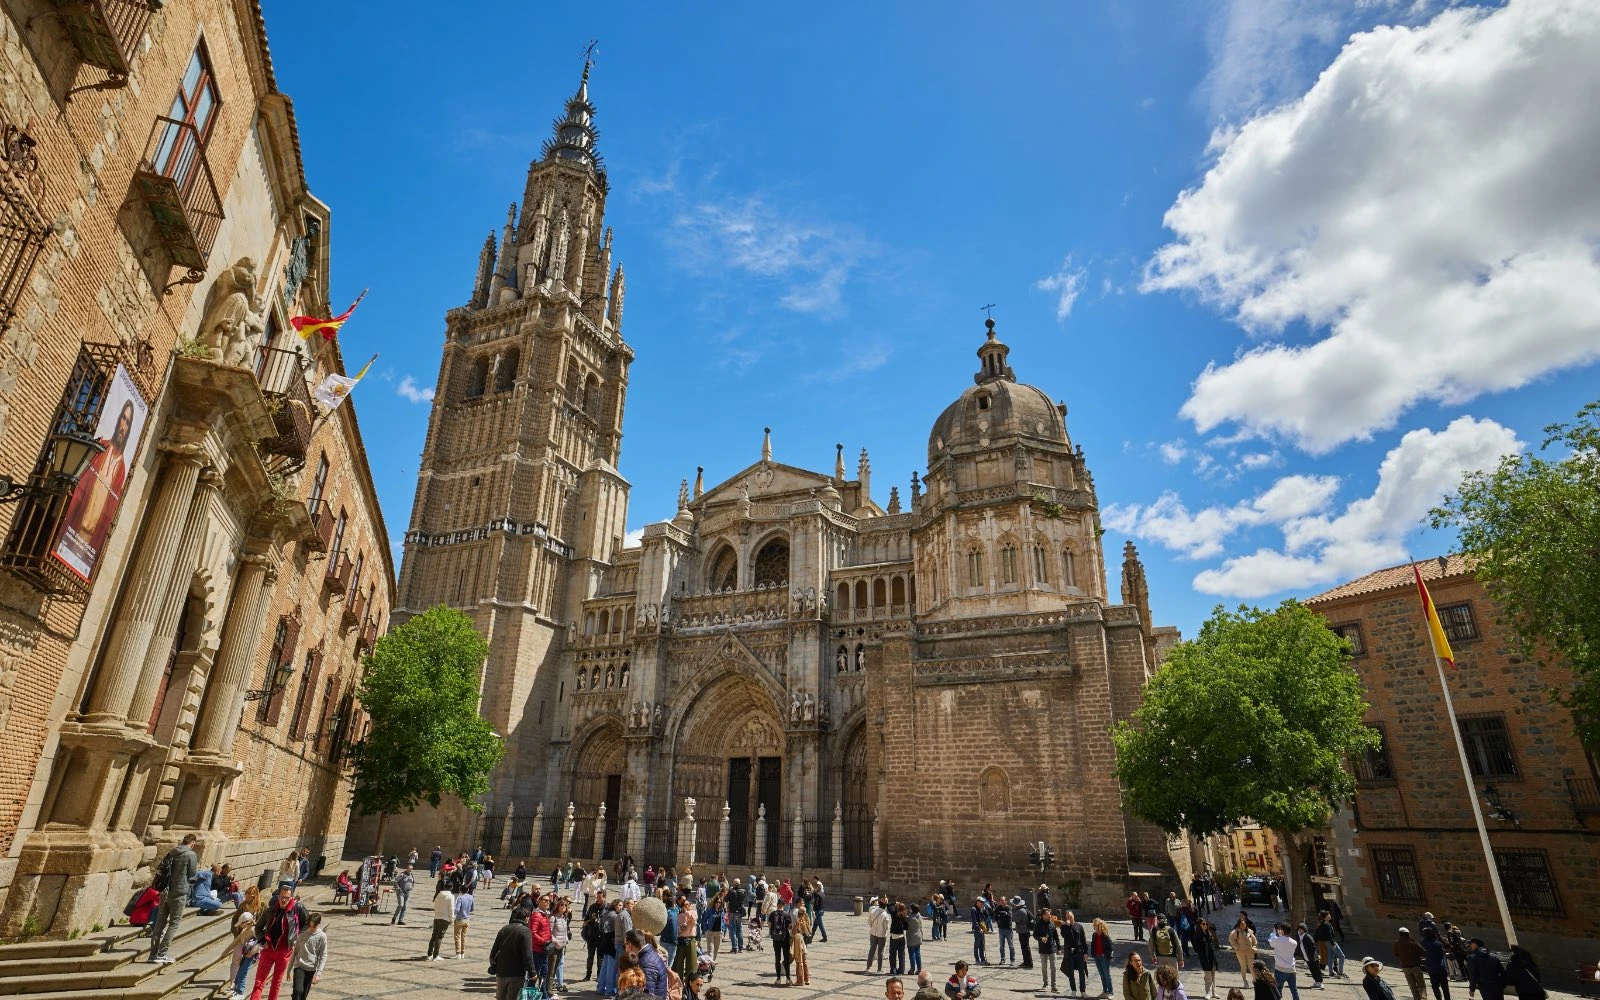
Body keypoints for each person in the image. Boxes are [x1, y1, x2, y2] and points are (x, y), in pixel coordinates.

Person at [251, 883, 308, 1000]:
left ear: (291, 898)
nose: (283, 900)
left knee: (276, 981)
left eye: (286, 898)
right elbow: (258, 927)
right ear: (278, 897)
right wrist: (262, 940)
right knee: (259, 980)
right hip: (268, 949)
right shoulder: (270, 910)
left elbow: (307, 924)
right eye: (281, 897)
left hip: (284, 951)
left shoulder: (298, 909)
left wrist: (297, 938)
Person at [491, 905, 538, 1000]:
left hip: (501, 973)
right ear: (527, 918)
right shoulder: (525, 931)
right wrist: (532, 973)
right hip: (516, 974)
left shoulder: (504, 929)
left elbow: (493, 952)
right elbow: (528, 956)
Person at [225, 886, 263, 1000]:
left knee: (244, 967)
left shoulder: (261, 907)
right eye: (246, 895)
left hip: (252, 942)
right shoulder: (242, 906)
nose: (246, 897)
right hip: (240, 937)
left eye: (248, 895)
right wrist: (236, 932)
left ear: (254, 896)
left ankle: (240, 990)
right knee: (236, 960)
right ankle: (233, 984)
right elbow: (234, 920)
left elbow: (262, 924)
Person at [288, 911, 326, 1000]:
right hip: (300, 966)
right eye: (310, 926)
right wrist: (289, 970)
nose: (311, 928)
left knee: (303, 995)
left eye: (314, 926)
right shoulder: (302, 936)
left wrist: (318, 974)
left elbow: (323, 955)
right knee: (298, 990)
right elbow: (295, 953)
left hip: (311, 968)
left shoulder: (322, 936)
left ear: (318, 924)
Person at [1268, 924, 1302, 1000]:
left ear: (1282, 930)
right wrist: (1281, 935)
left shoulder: (1276, 940)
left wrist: (1273, 932)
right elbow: (1285, 942)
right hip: (1291, 969)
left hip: (1280, 969)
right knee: (1294, 990)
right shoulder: (1294, 942)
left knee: (1278, 989)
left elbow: (1271, 942)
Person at [1062, 911, 1090, 997]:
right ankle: (1073, 990)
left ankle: (1083, 991)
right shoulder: (1064, 927)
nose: (1069, 918)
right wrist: (1067, 926)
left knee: (1082, 972)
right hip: (1069, 953)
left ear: (1073, 916)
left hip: (1079, 952)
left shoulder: (1079, 926)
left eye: (1070, 916)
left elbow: (1083, 940)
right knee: (1071, 973)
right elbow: (1064, 936)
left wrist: (1085, 952)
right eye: (1067, 917)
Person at [1394, 929, 1427, 1000]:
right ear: (1408, 934)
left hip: (1405, 967)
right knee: (1421, 985)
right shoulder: (1413, 943)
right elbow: (1424, 952)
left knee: (1412, 986)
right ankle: (1423, 998)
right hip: (1416, 966)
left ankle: (1416, 999)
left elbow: (1395, 954)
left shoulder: (1396, 943)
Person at [769, 894, 794, 985]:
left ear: (777, 904)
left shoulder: (772, 914)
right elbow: (790, 927)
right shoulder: (787, 915)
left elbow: (770, 926)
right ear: (784, 905)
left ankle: (778, 978)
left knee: (777, 958)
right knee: (786, 958)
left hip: (776, 939)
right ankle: (788, 978)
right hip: (785, 938)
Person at [549, 897, 573, 994]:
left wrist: (566, 940)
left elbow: (565, 931)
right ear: (557, 907)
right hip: (554, 947)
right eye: (562, 905)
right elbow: (549, 933)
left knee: (557, 967)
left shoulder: (565, 918)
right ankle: (549, 990)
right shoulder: (553, 918)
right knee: (551, 970)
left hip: (562, 946)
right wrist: (556, 942)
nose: (564, 907)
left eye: (565, 905)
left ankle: (552, 987)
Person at [674, 893, 699, 983]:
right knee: (679, 962)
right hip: (682, 940)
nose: (689, 905)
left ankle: (690, 980)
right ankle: (679, 981)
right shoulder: (679, 916)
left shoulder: (693, 913)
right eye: (687, 904)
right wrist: (681, 928)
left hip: (691, 939)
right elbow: (678, 929)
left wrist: (687, 913)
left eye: (689, 904)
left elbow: (694, 920)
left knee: (692, 963)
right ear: (682, 906)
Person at [583, 891, 608, 980]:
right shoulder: (592, 907)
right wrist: (589, 922)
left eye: (600, 897)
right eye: (597, 897)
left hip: (602, 937)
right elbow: (586, 918)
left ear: (604, 897)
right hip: (591, 936)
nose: (597, 899)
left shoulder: (607, 908)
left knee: (600, 958)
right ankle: (588, 974)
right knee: (590, 956)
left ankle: (599, 975)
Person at [1193, 918, 1220, 999]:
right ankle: (1208, 993)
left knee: (1213, 975)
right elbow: (1196, 948)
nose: (1205, 925)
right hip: (1205, 958)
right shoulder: (1197, 936)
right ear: (1199, 925)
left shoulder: (1208, 933)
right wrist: (1202, 954)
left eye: (1206, 924)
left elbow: (1212, 944)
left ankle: (1214, 992)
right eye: (1203, 924)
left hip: (1212, 957)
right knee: (1208, 976)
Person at [1035, 908, 1061, 995]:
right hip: (1043, 949)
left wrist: (1059, 948)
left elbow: (1056, 936)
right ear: (1043, 915)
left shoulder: (1052, 924)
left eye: (1050, 914)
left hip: (1052, 949)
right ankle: (1045, 984)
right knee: (1044, 968)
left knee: (1053, 968)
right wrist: (1041, 938)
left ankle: (1054, 986)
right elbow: (1035, 935)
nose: (1049, 915)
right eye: (1047, 914)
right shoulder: (1038, 924)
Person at [427, 883, 454, 962]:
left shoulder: (439, 895)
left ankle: (429, 954)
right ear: (451, 888)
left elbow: (435, 905)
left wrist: (437, 913)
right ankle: (436, 955)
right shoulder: (450, 896)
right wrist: (452, 918)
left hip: (437, 917)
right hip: (445, 918)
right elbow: (451, 908)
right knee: (439, 937)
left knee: (434, 935)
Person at [1421, 930, 1451, 1000]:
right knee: (1445, 987)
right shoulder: (1438, 944)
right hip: (1441, 968)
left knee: (1435, 987)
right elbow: (1444, 951)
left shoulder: (1423, 943)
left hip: (1431, 968)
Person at [1091, 917, 1117, 998]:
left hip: (1104, 957)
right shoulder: (1094, 935)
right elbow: (1093, 945)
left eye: (1094, 924)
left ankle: (1110, 992)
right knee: (1102, 975)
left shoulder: (1105, 935)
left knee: (1106, 975)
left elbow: (1110, 948)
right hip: (1097, 957)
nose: (1093, 926)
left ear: (1099, 926)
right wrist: (1093, 954)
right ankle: (1104, 991)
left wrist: (1104, 955)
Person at [1230, 917, 1259, 987]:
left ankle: (1255, 980)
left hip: (1250, 951)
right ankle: (1245, 981)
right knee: (1243, 967)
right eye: (1242, 924)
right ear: (1239, 925)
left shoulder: (1249, 931)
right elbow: (1231, 940)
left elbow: (1254, 940)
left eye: (1245, 924)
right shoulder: (1235, 932)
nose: (1244, 925)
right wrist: (1237, 947)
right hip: (1240, 952)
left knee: (1251, 966)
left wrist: (1254, 947)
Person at [1296, 923, 1324, 990]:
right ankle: (1316, 982)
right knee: (1312, 970)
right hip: (1307, 957)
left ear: (1304, 930)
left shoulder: (1307, 937)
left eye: (1301, 930)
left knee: (1316, 970)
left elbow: (1313, 947)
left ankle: (1320, 983)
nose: (1300, 931)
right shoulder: (1300, 937)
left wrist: (1313, 956)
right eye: (1299, 930)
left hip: (1312, 958)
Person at [867, 895, 889, 972]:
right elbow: (886, 927)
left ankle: (868, 967)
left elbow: (869, 921)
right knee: (880, 952)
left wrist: (873, 928)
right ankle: (879, 969)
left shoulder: (873, 911)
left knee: (872, 950)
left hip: (873, 933)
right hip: (881, 935)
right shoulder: (885, 915)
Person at [793, 903, 813, 986]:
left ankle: (799, 980)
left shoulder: (799, 921)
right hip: (805, 943)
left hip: (799, 942)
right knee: (805, 961)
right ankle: (807, 979)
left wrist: (793, 927)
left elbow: (794, 932)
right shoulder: (807, 920)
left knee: (799, 961)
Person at [453, 884, 476, 958]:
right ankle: (463, 953)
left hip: (459, 919)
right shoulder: (471, 897)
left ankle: (458, 953)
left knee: (457, 936)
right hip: (467, 919)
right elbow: (472, 909)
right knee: (464, 937)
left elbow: (457, 909)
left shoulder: (460, 898)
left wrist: (452, 910)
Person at [1012, 896, 1034, 970]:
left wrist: (1013, 911)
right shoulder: (1023, 909)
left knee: (1025, 948)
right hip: (1024, 931)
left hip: (1023, 931)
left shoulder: (1020, 911)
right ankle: (1026, 962)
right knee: (1024, 947)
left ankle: (1029, 963)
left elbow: (1015, 919)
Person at [994, 895, 1015, 966]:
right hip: (1001, 929)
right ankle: (1002, 959)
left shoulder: (1009, 908)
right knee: (1001, 946)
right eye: (1001, 900)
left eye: (1003, 900)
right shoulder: (998, 908)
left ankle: (1012, 960)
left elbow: (1009, 917)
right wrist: (998, 920)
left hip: (1008, 929)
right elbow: (994, 915)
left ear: (1006, 901)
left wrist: (1003, 914)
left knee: (1011, 946)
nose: (1002, 902)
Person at [891, 901, 910, 974]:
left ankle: (893, 969)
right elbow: (906, 927)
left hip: (894, 937)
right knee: (901, 955)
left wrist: (894, 903)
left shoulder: (894, 914)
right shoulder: (904, 916)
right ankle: (901, 970)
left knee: (893, 954)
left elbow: (889, 907)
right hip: (901, 937)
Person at [906, 897, 924, 975]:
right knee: (918, 953)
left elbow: (906, 926)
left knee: (912, 954)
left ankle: (912, 969)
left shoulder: (910, 918)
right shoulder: (919, 915)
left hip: (911, 938)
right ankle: (919, 968)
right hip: (918, 937)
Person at [970, 898, 989, 966]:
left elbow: (986, 917)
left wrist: (984, 910)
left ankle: (983, 959)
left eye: (983, 902)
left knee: (982, 945)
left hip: (982, 929)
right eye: (981, 902)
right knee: (977, 945)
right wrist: (978, 928)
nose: (982, 904)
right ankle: (977, 959)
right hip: (977, 930)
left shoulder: (981, 909)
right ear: (977, 902)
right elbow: (974, 920)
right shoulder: (973, 909)